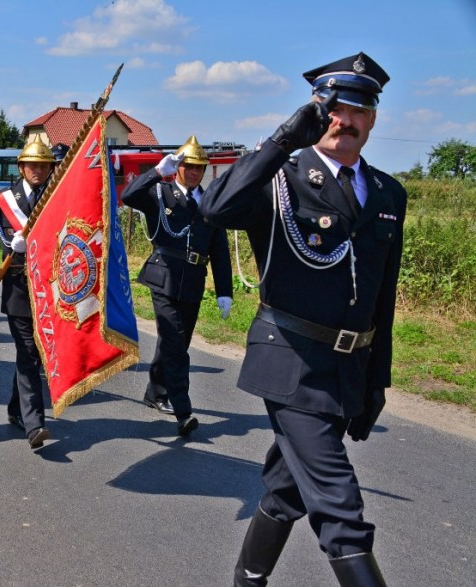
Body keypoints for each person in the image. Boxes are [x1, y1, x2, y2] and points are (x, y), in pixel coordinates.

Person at [200, 52, 405, 586]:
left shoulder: (387, 193)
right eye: (334, 108)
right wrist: (280, 140)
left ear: (373, 118)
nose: (346, 119)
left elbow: (384, 297)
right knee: (341, 508)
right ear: (316, 113)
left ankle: (247, 581)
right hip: (290, 362)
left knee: (286, 488)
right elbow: (215, 210)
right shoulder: (282, 176)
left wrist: (375, 381)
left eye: (358, 109)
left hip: (347, 370)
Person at [120, 135, 233, 436]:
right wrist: (156, 172)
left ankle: (155, 391)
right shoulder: (161, 193)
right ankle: (183, 410)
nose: (194, 172)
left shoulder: (209, 202)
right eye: (188, 166)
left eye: (199, 168)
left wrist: (225, 291)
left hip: (194, 280)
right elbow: (129, 196)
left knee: (175, 342)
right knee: (174, 341)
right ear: (178, 167)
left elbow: (219, 249)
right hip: (164, 276)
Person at [0, 136, 55, 450]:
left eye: (44, 165)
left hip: (48, 290)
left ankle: (15, 408)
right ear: (21, 167)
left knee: (34, 354)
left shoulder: (57, 198)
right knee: (28, 352)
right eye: (33, 164)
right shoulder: (2, 201)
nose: (39, 170)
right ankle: (35, 424)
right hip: (18, 288)